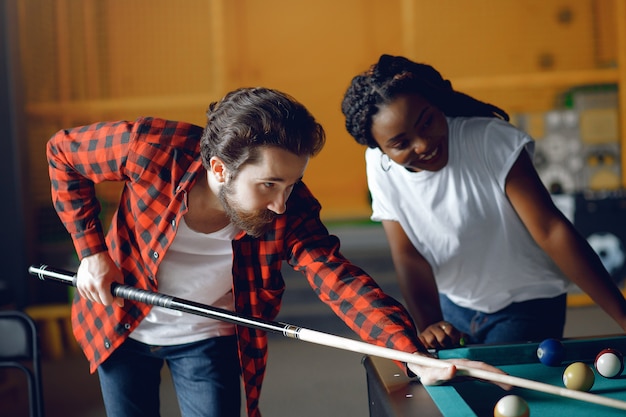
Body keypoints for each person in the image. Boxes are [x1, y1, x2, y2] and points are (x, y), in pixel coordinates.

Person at [47, 87, 505, 417]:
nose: (281, 204)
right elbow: (62, 154)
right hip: (120, 323)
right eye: (268, 185)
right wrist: (91, 251)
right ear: (220, 170)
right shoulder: (150, 148)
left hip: (210, 335)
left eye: (291, 184)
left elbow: (339, 281)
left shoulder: (290, 209)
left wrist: (412, 355)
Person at [341, 54, 626, 351]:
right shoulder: (377, 165)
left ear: (436, 103)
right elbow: (409, 256)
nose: (423, 144)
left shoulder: (490, 140)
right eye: (401, 143)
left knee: (502, 393)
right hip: (454, 303)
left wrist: (622, 316)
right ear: (382, 149)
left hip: (527, 302)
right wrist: (430, 325)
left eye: (427, 121)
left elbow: (551, 230)